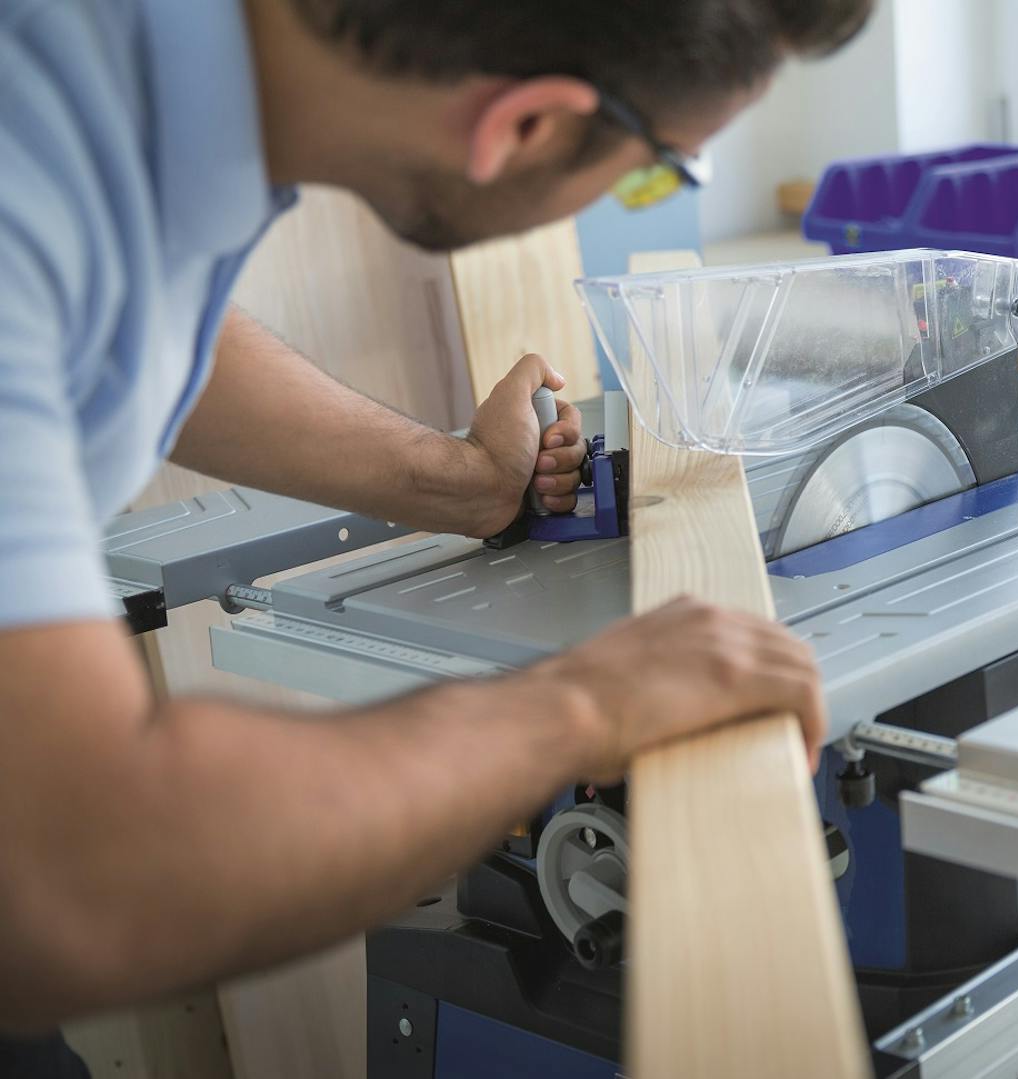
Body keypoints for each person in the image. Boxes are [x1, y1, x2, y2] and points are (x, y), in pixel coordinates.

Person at [0, 0, 875, 1066]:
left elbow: (129, 310)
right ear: (526, 127)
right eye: (663, 170)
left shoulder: (133, 72)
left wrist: (459, 484)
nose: (645, 195)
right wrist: (584, 702)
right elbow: (81, 873)